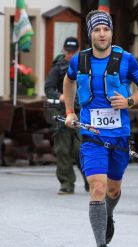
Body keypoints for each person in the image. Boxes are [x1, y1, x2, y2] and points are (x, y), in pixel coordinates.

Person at [63, 10, 138, 247]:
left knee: (113, 189)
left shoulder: (126, 60)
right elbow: (68, 83)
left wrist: (129, 101)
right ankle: (101, 246)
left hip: (119, 137)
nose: (102, 34)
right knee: (98, 187)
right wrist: (70, 111)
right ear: (90, 33)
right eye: (97, 30)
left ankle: (108, 215)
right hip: (91, 136)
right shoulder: (78, 61)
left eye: (106, 30)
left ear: (111, 32)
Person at [45, 37, 89, 195]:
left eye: (73, 52)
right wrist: (61, 96)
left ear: (78, 51)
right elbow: (48, 89)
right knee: (63, 149)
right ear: (64, 50)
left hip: (80, 112)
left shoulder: (84, 66)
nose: (70, 55)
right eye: (68, 52)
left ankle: (90, 181)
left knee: (80, 149)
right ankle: (66, 183)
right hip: (61, 112)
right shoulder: (58, 68)